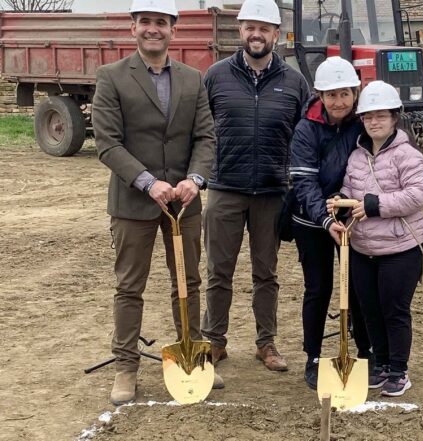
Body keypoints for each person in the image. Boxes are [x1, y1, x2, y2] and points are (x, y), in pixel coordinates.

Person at [92, 0, 216, 405]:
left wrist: (195, 179)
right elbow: (108, 143)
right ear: (133, 28)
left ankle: (192, 357)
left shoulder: (192, 79)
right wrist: (149, 183)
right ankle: (126, 366)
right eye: (145, 21)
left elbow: (205, 137)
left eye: (160, 22)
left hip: (183, 203)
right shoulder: (111, 77)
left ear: (172, 29)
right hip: (134, 203)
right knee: (130, 286)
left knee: (189, 281)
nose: (152, 29)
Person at [201, 0, 310, 381]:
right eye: (250, 26)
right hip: (225, 188)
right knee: (219, 271)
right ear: (240, 30)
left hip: (271, 192)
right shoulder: (215, 76)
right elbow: (200, 132)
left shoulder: (295, 83)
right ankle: (214, 339)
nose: (256, 34)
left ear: (277, 34)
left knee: (266, 273)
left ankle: (267, 342)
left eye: (265, 28)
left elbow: (306, 137)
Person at [329, 80, 423, 397]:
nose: (374, 122)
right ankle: (381, 362)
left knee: (394, 310)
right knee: (370, 310)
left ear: (394, 117)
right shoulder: (357, 156)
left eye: (381, 116)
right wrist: (340, 202)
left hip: (401, 248)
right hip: (363, 247)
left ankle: (399, 369)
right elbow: (350, 187)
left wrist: (374, 205)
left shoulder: (408, 155)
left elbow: (418, 195)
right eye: (368, 116)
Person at [288, 57, 372, 390]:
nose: (339, 102)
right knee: (318, 288)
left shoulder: (363, 123)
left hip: (354, 220)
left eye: (345, 94)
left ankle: (365, 350)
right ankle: (313, 355)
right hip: (312, 222)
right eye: (331, 95)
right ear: (320, 96)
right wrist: (325, 219)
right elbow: (305, 184)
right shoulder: (306, 129)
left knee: (358, 287)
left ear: (356, 93)